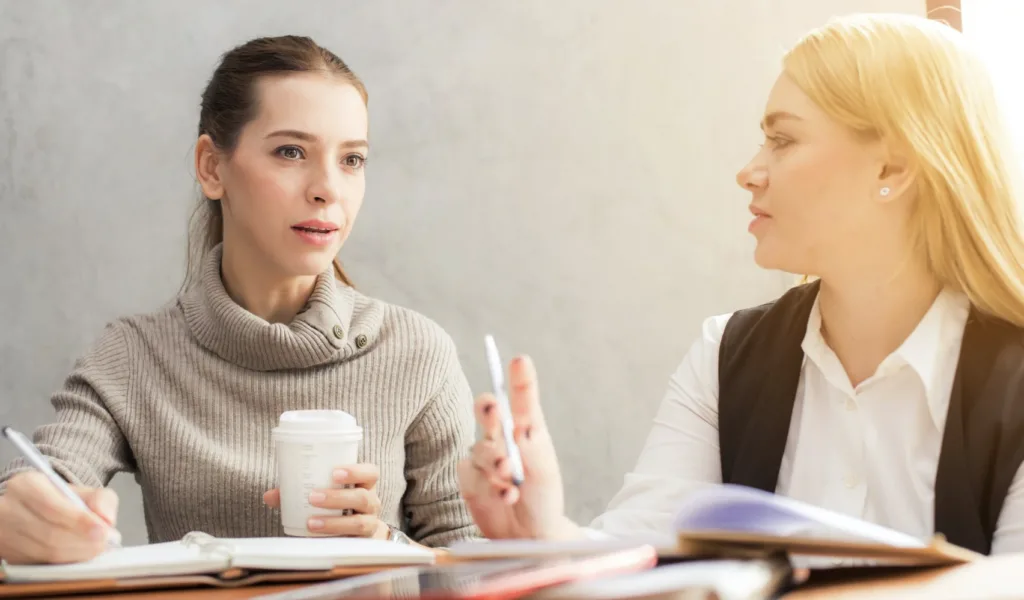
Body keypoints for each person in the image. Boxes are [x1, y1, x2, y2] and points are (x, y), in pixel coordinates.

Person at [459, 13, 1024, 556]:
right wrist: (546, 533)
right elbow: (643, 552)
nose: (749, 170)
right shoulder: (725, 355)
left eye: (783, 140)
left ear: (891, 170)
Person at [0, 35, 478, 565]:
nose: (328, 189)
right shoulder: (133, 356)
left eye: (352, 160)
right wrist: (23, 513)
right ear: (211, 167)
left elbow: (477, 563)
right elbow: (47, 478)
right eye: (291, 151)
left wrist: (386, 546)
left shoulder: (418, 353)